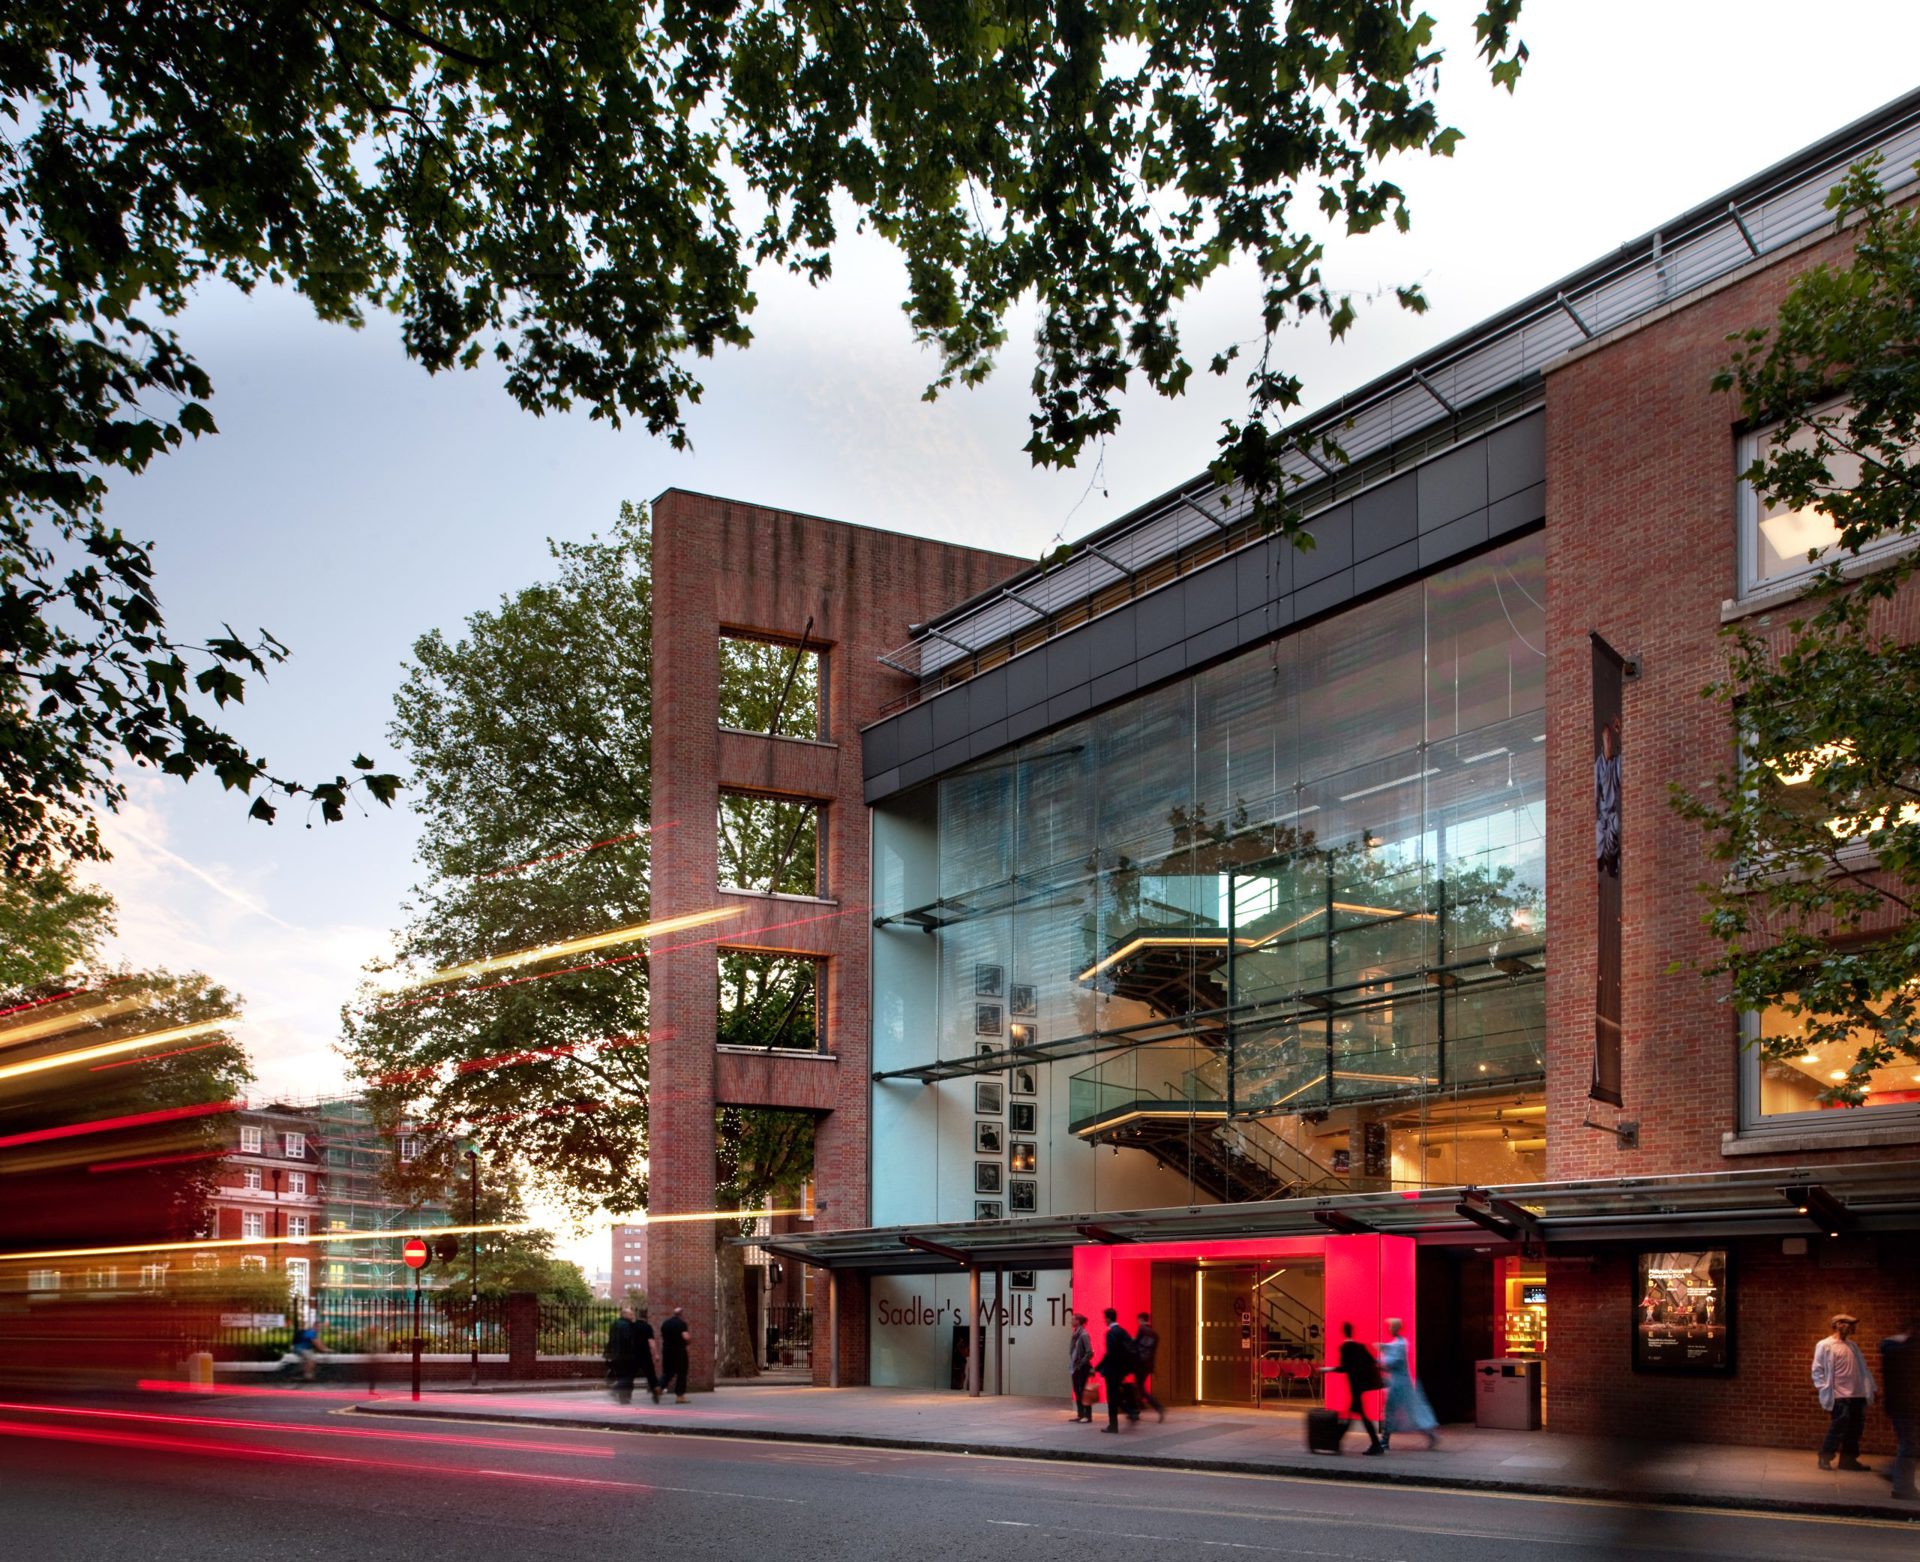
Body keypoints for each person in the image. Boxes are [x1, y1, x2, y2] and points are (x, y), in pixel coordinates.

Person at [1812, 1312, 1876, 1471]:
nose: (1853, 1328)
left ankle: (1848, 1461)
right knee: (1839, 1426)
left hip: (1857, 1394)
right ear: (1839, 1325)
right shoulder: (1825, 1345)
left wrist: (1871, 1388)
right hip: (1840, 1395)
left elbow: (1863, 1369)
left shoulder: (1852, 1346)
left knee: (1855, 1428)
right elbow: (1817, 1369)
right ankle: (1825, 1457)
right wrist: (1823, 1388)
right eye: (1850, 1324)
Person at [1379, 1318, 1438, 1451]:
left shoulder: (1399, 1345)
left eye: (1391, 1327)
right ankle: (1385, 1440)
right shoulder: (1398, 1343)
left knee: (1396, 1411)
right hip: (1399, 1383)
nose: (1389, 1329)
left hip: (1399, 1385)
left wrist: (1381, 1355)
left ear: (1395, 1328)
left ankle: (1385, 1440)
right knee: (1400, 1412)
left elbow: (1391, 1361)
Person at [1882, 1310, 1917, 1500]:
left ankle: (1892, 1471)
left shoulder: (1896, 1348)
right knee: (1909, 1443)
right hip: (1905, 1406)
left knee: (1910, 1443)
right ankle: (1903, 1487)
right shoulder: (1900, 1349)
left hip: (1902, 1405)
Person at [1335, 1321, 1385, 1456]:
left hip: (1354, 1387)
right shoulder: (1360, 1347)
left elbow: (1344, 1367)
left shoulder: (1345, 1347)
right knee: (1354, 1416)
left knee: (1357, 1417)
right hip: (1360, 1386)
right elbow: (1373, 1362)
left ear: (1343, 1332)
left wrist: (1329, 1369)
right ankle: (1337, 1443)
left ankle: (1376, 1444)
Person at [1097, 1307, 1135, 1433]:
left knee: (1112, 1397)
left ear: (1108, 1318)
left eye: (1105, 1318)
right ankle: (1130, 1411)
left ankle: (1113, 1425)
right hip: (1121, 1370)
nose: (1104, 1321)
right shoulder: (1123, 1332)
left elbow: (1110, 1354)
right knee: (1117, 1394)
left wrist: (1098, 1367)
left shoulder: (1111, 1333)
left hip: (1112, 1371)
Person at [605, 1305, 641, 1405]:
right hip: (627, 1355)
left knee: (621, 1376)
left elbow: (611, 1340)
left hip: (615, 1355)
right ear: (624, 1314)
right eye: (631, 1314)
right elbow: (628, 1340)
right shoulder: (628, 1326)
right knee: (629, 1377)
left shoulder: (614, 1324)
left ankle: (623, 1399)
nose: (632, 1316)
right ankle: (618, 1390)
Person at [1134, 1311, 1165, 1422]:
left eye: (1138, 1320)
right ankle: (1137, 1410)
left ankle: (1156, 1407)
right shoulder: (1154, 1334)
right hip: (1148, 1365)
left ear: (1141, 1319)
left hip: (1140, 1364)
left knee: (1140, 1388)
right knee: (1140, 1388)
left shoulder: (1142, 1329)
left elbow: (1136, 1345)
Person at [660, 1304, 692, 1403]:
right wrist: (689, 1341)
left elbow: (662, 1336)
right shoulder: (682, 1324)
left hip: (666, 1350)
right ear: (681, 1315)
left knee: (668, 1372)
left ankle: (659, 1387)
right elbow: (686, 1337)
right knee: (682, 1373)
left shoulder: (665, 1323)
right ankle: (680, 1396)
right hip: (679, 1351)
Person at [1068, 1313, 1094, 1423]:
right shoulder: (1076, 1334)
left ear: (1078, 1321)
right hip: (1075, 1366)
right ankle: (1080, 1414)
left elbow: (1089, 1352)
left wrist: (1080, 1363)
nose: (1071, 1321)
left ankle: (1087, 1415)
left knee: (1083, 1391)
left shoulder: (1083, 1334)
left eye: (1073, 1319)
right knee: (1077, 1391)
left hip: (1081, 1367)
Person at [633, 1306, 661, 1404]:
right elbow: (651, 1342)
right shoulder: (647, 1327)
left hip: (633, 1354)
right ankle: (655, 1389)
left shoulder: (632, 1326)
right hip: (645, 1354)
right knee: (651, 1374)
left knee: (630, 1374)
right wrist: (656, 1354)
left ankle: (625, 1395)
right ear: (646, 1317)